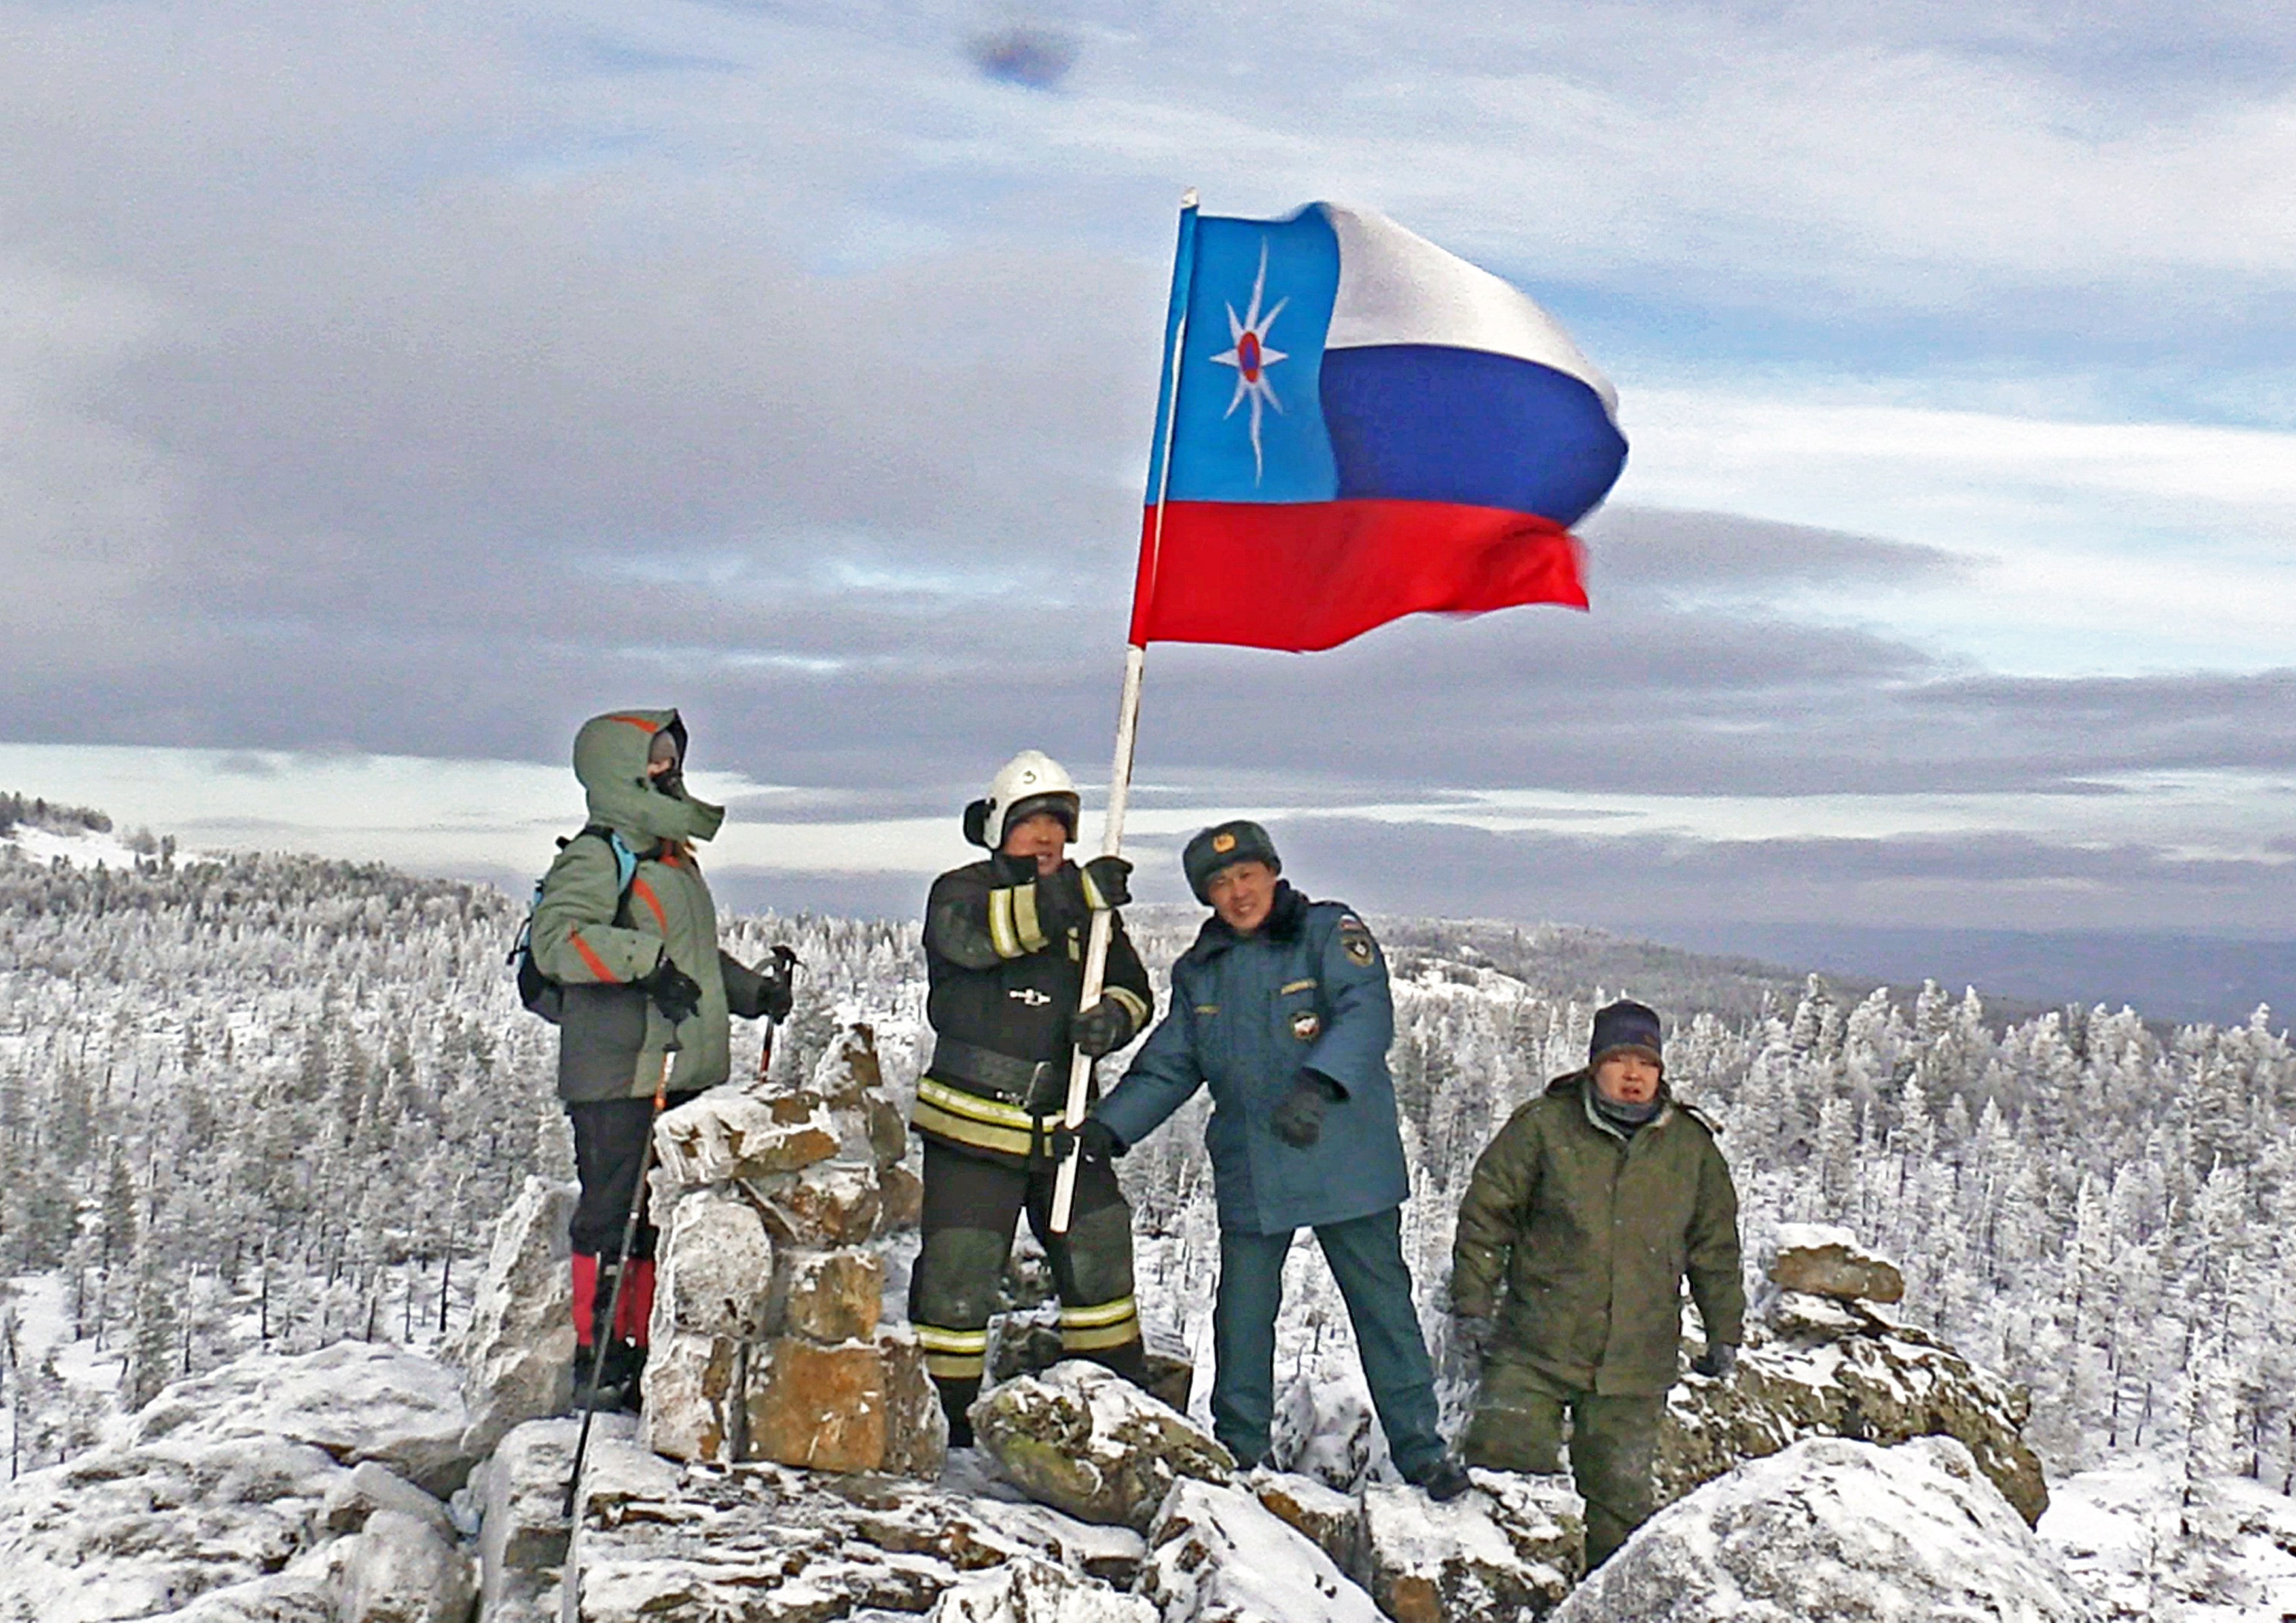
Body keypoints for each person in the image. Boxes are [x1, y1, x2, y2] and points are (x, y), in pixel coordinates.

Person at [1090, 821, 1471, 1501]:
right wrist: (1109, 1130)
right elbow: (1171, 1063)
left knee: (1381, 1308)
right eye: (1218, 884)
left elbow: (1364, 1010)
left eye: (1246, 876)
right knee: (1241, 1312)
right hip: (1253, 1165)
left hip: (1343, 1155)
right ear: (1206, 897)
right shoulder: (1201, 970)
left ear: (1271, 871)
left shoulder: (1325, 932)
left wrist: (1319, 1082)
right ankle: (1241, 1451)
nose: (1236, 893)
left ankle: (1422, 1450)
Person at [529, 708, 794, 1404]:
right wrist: (644, 962)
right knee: (613, 1212)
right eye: (653, 757)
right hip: (620, 1073)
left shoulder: (672, 860)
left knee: (657, 1214)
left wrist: (753, 993)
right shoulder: (598, 854)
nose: (668, 769)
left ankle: (645, 1343)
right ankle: (600, 1351)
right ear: (618, 768)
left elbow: (693, 961)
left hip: (677, 1071)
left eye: (672, 755)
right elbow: (560, 939)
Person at [908, 749, 1156, 1445]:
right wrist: (1073, 897)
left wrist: (1112, 1013)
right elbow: (980, 937)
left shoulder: (1088, 910)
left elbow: (1136, 985)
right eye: (1031, 824)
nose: (1047, 838)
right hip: (972, 1130)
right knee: (958, 1276)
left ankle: (1113, 1408)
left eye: (1058, 824)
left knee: (1101, 1255)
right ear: (998, 829)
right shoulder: (960, 891)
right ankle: (938, 1421)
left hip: (1066, 1128)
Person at [1449, 997, 1745, 1569]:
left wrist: (1723, 1331)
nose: (1633, 1075)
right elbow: (1486, 1216)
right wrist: (1473, 1306)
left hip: (1636, 1362)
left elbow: (1715, 1250)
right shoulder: (1542, 1128)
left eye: (1646, 1062)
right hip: (1535, 1349)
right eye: (1619, 1059)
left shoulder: (1690, 1147)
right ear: (1593, 1065)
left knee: (1621, 1512)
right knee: (1498, 1492)